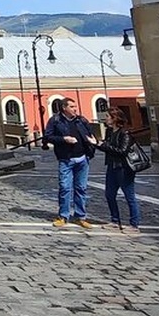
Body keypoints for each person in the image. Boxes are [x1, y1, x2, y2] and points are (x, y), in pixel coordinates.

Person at [44, 97, 96, 229]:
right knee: (65, 188)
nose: (75, 109)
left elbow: (90, 134)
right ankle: (63, 216)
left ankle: (80, 216)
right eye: (72, 107)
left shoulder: (81, 120)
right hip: (66, 159)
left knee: (81, 188)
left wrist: (91, 143)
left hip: (82, 159)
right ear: (64, 108)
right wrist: (63, 139)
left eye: (75, 107)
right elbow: (47, 137)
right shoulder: (55, 121)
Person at [88, 108, 141, 234]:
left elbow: (122, 151)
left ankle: (134, 224)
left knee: (130, 196)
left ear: (115, 118)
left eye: (107, 116)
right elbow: (107, 148)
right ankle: (115, 221)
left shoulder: (125, 133)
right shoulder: (110, 132)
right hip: (112, 167)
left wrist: (102, 145)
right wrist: (96, 144)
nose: (105, 118)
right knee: (109, 194)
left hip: (124, 168)